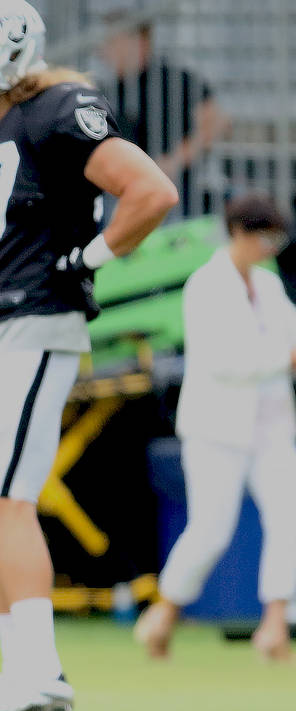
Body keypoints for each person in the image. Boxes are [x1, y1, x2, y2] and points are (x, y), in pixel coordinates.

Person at [0, 0, 177, 711]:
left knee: (8, 498)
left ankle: (39, 673)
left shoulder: (59, 108)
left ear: (11, 50)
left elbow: (151, 192)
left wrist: (88, 258)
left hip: (36, 319)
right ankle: (21, 673)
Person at [135, 193, 296, 662]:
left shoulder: (268, 286)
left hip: (272, 424)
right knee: (210, 529)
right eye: (265, 237)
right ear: (241, 233)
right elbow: (222, 362)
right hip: (216, 427)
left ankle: (274, 623)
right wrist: (283, 359)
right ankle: (164, 613)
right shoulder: (204, 285)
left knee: (287, 519)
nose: (270, 248)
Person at [100, 14, 228, 217]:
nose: (103, 52)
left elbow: (215, 123)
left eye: (112, 42)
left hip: (174, 192)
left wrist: (173, 161)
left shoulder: (175, 80)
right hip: (123, 191)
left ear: (139, 42)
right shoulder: (108, 89)